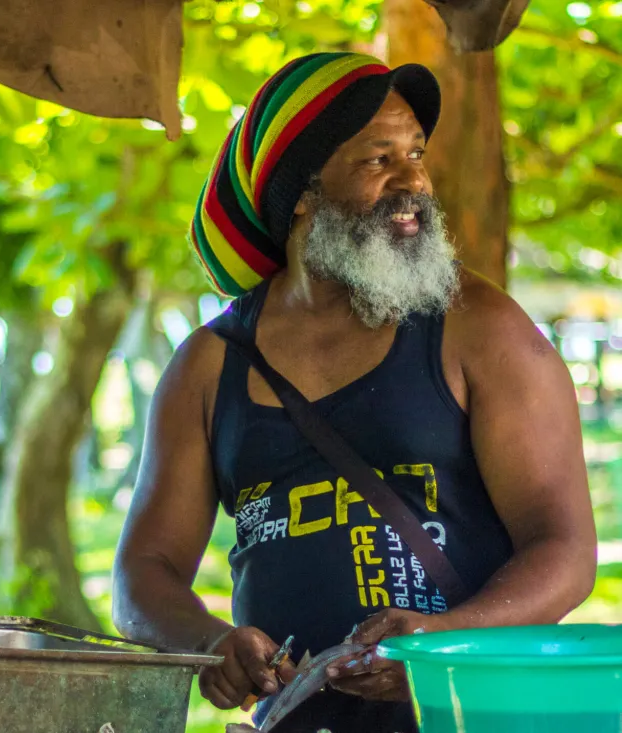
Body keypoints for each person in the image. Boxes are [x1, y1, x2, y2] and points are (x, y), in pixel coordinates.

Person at [110, 52, 598, 732]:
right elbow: (143, 572)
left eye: (416, 154)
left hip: (470, 718)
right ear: (303, 191)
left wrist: (446, 639)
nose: (415, 182)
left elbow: (566, 549)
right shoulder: (207, 367)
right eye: (379, 160)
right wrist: (210, 640)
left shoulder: (479, 329)